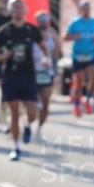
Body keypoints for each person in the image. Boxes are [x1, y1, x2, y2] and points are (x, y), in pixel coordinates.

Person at [0, 0, 47, 161]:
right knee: (14, 113)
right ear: (10, 10)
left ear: (25, 10)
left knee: (32, 112)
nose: (18, 11)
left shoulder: (32, 30)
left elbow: (43, 48)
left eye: (21, 8)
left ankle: (28, 125)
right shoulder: (4, 31)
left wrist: (45, 59)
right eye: (15, 8)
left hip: (28, 76)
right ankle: (15, 147)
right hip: (10, 76)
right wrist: (3, 57)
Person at [64, 0, 94, 117]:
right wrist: (75, 36)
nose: (86, 11)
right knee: (79, 83)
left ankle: (88, 101)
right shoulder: (74, 23)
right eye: (84, 8)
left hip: (91, 55)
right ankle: (76, 105)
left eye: (88, 8)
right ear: (80, 10)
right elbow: (65, 37)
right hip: (78, 56)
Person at [33, 10, 61, 143]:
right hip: (33, 71)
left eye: (45, 20)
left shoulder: (52, 34)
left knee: (45, 103)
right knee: (34, 101)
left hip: (47, 72)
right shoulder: (31, 33)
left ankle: (39, 129)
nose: (43, 22)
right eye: (40, 20)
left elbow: (58, 52)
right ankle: (27, 122)